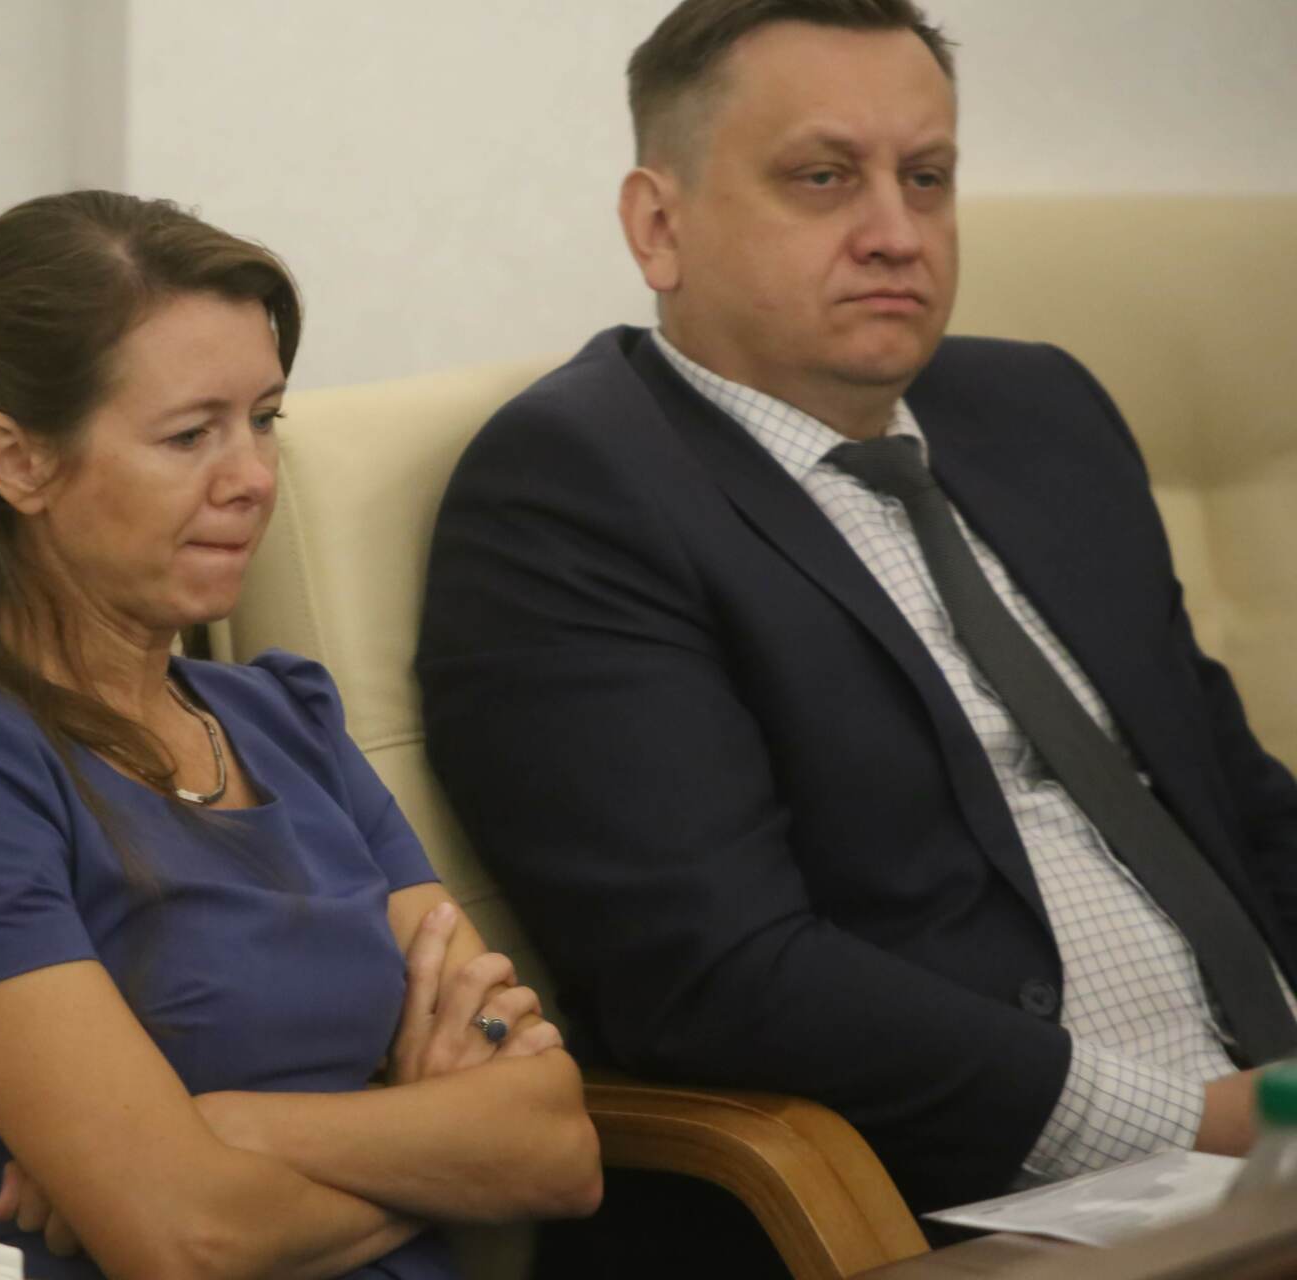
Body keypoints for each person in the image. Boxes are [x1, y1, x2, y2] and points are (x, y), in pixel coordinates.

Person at [417, 0, 1297, 1248]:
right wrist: (1203, 1118)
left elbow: (1233, 796)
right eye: (823, 178)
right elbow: (717, 975)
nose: (896, 232)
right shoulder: (573, 492)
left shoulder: (1041, 408)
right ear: (659, 226)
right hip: (957, 1204)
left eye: (926, 177)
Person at [0, 191, 601, 1280]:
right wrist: (430, 1137)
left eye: (265, 419)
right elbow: (188, 1239)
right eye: (191, 435)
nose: (253, 479)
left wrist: (232, 1126)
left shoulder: (286, 716)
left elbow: (557, 1148)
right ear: (18, 460)